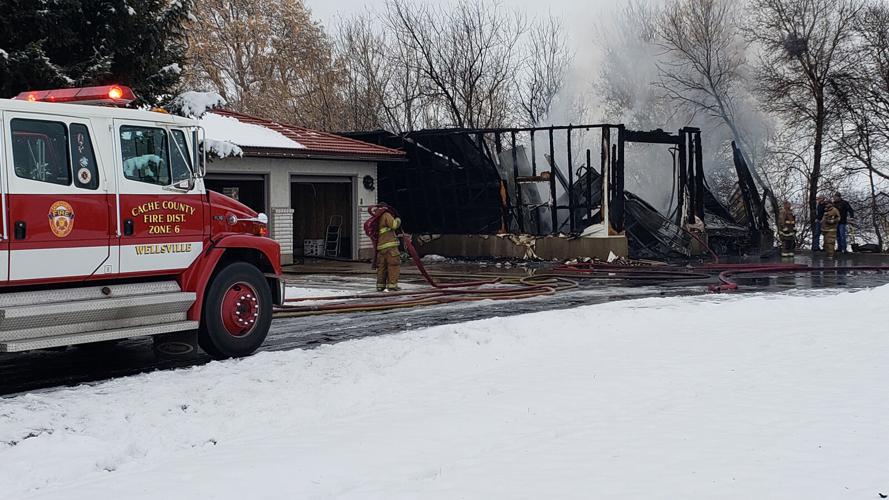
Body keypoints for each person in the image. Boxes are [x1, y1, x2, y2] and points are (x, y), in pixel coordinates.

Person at [367, 204, 403, 292]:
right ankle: (392, 286)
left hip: (381, 247)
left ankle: (380, 286)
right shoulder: (386, 215)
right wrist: (398, 220)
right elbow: (394, 225)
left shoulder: (376, 218)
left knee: (381, 267)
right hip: (390, 247)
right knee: (393, 265)